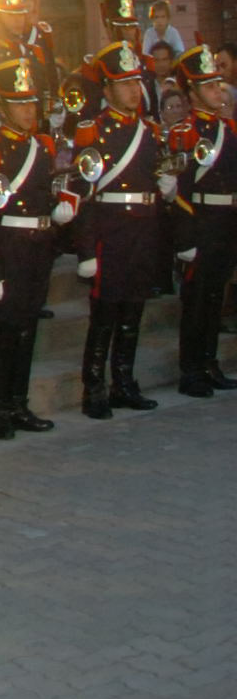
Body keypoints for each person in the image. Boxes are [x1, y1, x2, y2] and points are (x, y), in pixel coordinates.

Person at [65, 40, 172, 417]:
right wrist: (85, 251)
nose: (133, 90)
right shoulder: (93, 131)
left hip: (142, 230)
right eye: (124, 84)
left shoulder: (150, 131)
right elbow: (81, 195)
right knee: (106, 313)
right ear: (107, 89)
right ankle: (94, 388)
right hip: (110, 232)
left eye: (136, 82)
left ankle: (124, 381)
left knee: (133, 311)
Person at [0, 56, 67, 435]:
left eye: (31, 103)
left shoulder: (43, 147)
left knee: (27, 328)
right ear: (1, 107)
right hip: (7, 247)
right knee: (4, 330)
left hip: (37, 248)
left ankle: (18, 403)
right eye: (19, 104)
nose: (28, 111)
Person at [167, 43, 237, 395]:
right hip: (202, 220)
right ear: (192, 92)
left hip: (226, 222)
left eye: (218, 84)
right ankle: (190, 370)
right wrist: (187, 239)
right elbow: (180, 190)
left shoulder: (229, 128)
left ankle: (209, 362)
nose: (217, 90)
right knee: (195, 300)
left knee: (214, 298)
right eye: (209, 86)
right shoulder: (186, 132)